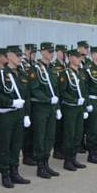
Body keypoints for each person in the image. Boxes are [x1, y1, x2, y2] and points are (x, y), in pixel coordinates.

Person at [0, 45, 31, 188]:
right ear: (9, 56)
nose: (20, 58)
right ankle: (5, 174)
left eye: (21, 56)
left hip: (19, 115)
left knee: (16, 145)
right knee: (4, 146)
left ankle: (14, 172)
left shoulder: (23, 74)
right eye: (17, 55)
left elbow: (27, 97)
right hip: (5, 115)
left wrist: (26, 114)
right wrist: (11, 102)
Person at [29, 42, 61, 179]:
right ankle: (40, 166)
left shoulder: (53, 68)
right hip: (40, 107)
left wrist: (57, 107)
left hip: (52, 107)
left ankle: (46, 163)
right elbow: (34, 89)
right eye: (48, 52)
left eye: (52, 51)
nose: (51, 54)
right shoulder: (36, 68)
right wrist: (48, 100)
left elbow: (56, 89)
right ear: (42, 52)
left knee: (50, 136)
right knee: (40, 136)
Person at [58, 47, 88, 171]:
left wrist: (85, 107)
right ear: (70, 58)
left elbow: (85, 91)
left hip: (80, 108)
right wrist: (74, 100)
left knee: (78, 133)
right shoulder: (65, 74)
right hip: (70, 108)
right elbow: (62, 92)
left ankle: (74, 157)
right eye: (76, 57)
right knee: (69, 133)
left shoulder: (81, 73)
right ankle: (67, 160)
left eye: (80, 57)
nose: (79, 59)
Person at [21, 43, 38, 166]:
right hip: (26, 100)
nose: (33, 54)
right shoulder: (22, 65)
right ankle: (26, 155)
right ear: (25, 51)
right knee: (26, 131)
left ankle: (32, 154)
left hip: (35, 102)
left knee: (34, 130)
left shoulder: (36, 65)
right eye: (31, 52)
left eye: (35, 52)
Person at [52, 44, 68, 160]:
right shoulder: (54, 66)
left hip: (66, 100)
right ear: (57, 52)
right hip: (58, 99)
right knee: (57, 127)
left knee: (64, 127)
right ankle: (57, 149)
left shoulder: (67, 65)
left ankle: (62, 147)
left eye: (66, 52)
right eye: (62, 52)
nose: (64, 54)